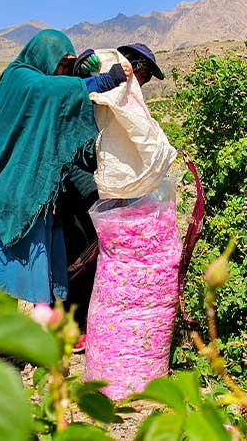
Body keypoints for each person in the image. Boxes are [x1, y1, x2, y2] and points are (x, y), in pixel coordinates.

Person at [0, 29, 131, 368]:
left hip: (33, 197)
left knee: (37, 273)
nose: (63, 72)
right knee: (1, 279)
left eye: (68, 66)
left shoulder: (44, 87)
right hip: (5, 198)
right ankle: (0, 356)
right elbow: (50, 92)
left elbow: (60, 109)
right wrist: (102, 81)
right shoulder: (20, 78)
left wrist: (79, 74)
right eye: (62, 64)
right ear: (44, 57)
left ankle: (38, 345)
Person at [60, 42, 166, 354]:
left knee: (90, 254)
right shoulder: (100, 75)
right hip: (75, 179)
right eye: (144, 75)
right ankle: (72, 326)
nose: (142, 83)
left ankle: (85, 323)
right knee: (80, 253)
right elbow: (79, 83)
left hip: (90, 179)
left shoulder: (121, 94)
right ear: (134, 66)